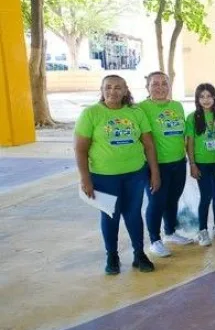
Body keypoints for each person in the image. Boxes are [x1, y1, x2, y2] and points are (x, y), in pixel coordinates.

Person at [75, 75, 159, 275]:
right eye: (108, 87)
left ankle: (139, 254)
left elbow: (148, 144)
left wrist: (154, 172)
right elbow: (80, 149)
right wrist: (85, 178)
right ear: (102, 90)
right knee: (110, 216)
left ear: (125, 90)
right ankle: (112, 255)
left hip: (135, 175)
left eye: (117, 87)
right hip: (104, 177)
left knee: (133, 214)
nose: (112, 91)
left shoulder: (135, 112)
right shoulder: (91, 114)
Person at [140, 72, 191, 257]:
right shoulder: (142, 108)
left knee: (172, 199)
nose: (160, 87)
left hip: (178, 162)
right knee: (156, 202)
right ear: (148, 87)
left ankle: (170, 232)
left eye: (164, 83)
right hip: (156, 165)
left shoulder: (177, 106)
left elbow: (183, 134)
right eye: (155, 84)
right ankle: (155, 240)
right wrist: (153, 170)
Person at [186, 83, 215, 245]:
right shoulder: (192, 117)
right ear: (197, 99)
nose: (206, 100)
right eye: (202, 97)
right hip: (202, 163)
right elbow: (189, 143)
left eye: (209, 96)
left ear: (214, 97)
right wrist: (192, 164)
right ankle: (202, 230)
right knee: (206, 196)